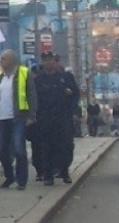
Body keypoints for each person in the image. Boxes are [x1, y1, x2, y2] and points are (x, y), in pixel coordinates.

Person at [0, 50, 37, 190]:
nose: (1, 61)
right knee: (1, 149)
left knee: (19, 149)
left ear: (12, 60)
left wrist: (31, 115)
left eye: (3, 59)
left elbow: (32, 95)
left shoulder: (23, 73)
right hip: (2, 119)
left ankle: (21, 180)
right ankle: (9, 176)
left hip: (18, 118)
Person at [34, 51, 76, 185]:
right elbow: (34, 99)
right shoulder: (38, 80)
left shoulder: (65, 77)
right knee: (47, 147)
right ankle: (48, 176)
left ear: (54, 61)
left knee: (66, 145)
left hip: (63, 117)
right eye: (45, 60)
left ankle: (64, 171)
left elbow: (75, 94)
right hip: (46, 118)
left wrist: (73, 110)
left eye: (50, 59)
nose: (48, 62)